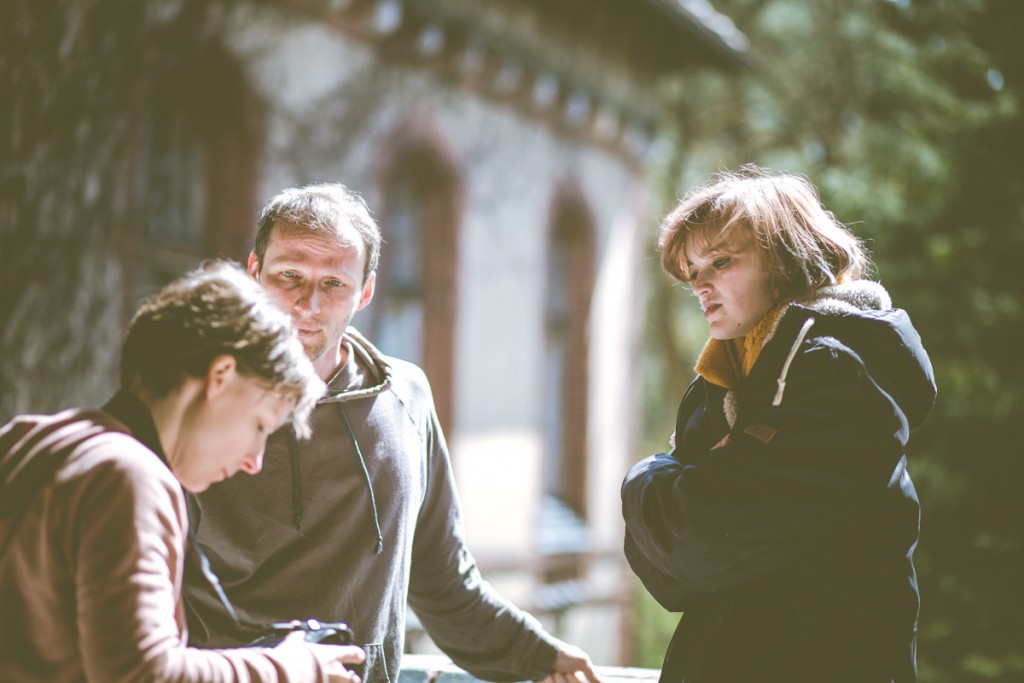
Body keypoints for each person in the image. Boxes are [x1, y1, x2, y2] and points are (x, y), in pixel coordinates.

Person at [184, 184, 600, 683]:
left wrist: (538, 655)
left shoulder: (406, 398)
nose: (307, 303)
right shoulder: (196, 401)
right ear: (255, 272)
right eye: (289, 276)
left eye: (333, 284)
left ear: (365, 291)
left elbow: (443, 581)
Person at [621, 166, 936, 683]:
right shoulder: (718, 384)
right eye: (691, 271)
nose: (699, 284)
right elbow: (667, 571)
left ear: (788, 260)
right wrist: (669, 490)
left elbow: (703, 544)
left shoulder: (837, 373)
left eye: (720, 262)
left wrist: (641, 481)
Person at [0, 261, 366, 682]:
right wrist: (288, 669)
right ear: (221, 376)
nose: (255, 460)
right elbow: (144, 674)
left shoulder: (28, 441)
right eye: (261, 425)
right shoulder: (129, 476)